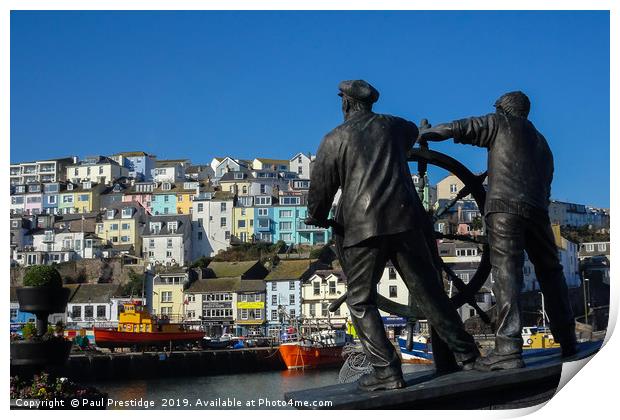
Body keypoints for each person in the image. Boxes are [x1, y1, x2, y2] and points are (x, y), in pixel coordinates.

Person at [305, 80, 479, 391]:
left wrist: (317, 215)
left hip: (362, 229)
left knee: (360, 301)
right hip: (406, 221)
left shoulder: (334, 139)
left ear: (345, 102)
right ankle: (467, 354)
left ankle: (386, 370)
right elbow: (414, 131)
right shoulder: (395, 127)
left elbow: (321, 188)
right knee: (430, 294)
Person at [418, 91, 578, 371]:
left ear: (503, 110)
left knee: (507, 276)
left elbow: (458, 127)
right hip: (538, 211)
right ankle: (567, 339)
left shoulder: (499, 123)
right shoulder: (542, 143)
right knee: (551, 273)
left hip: (505, 209)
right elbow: (547, 182)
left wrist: (426, 132)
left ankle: (507, 349)